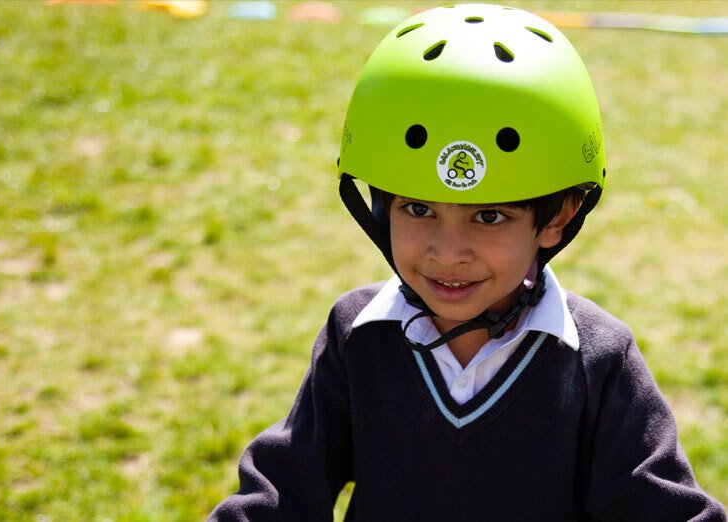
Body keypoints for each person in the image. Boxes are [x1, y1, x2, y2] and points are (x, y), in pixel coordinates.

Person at [210, 4, 726, 520]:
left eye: (489, 216)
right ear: (378, 207)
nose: (448, 252)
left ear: (559, 216)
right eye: (418, 209)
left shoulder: (599, 361)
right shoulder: (356, 336)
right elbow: (281, 490)